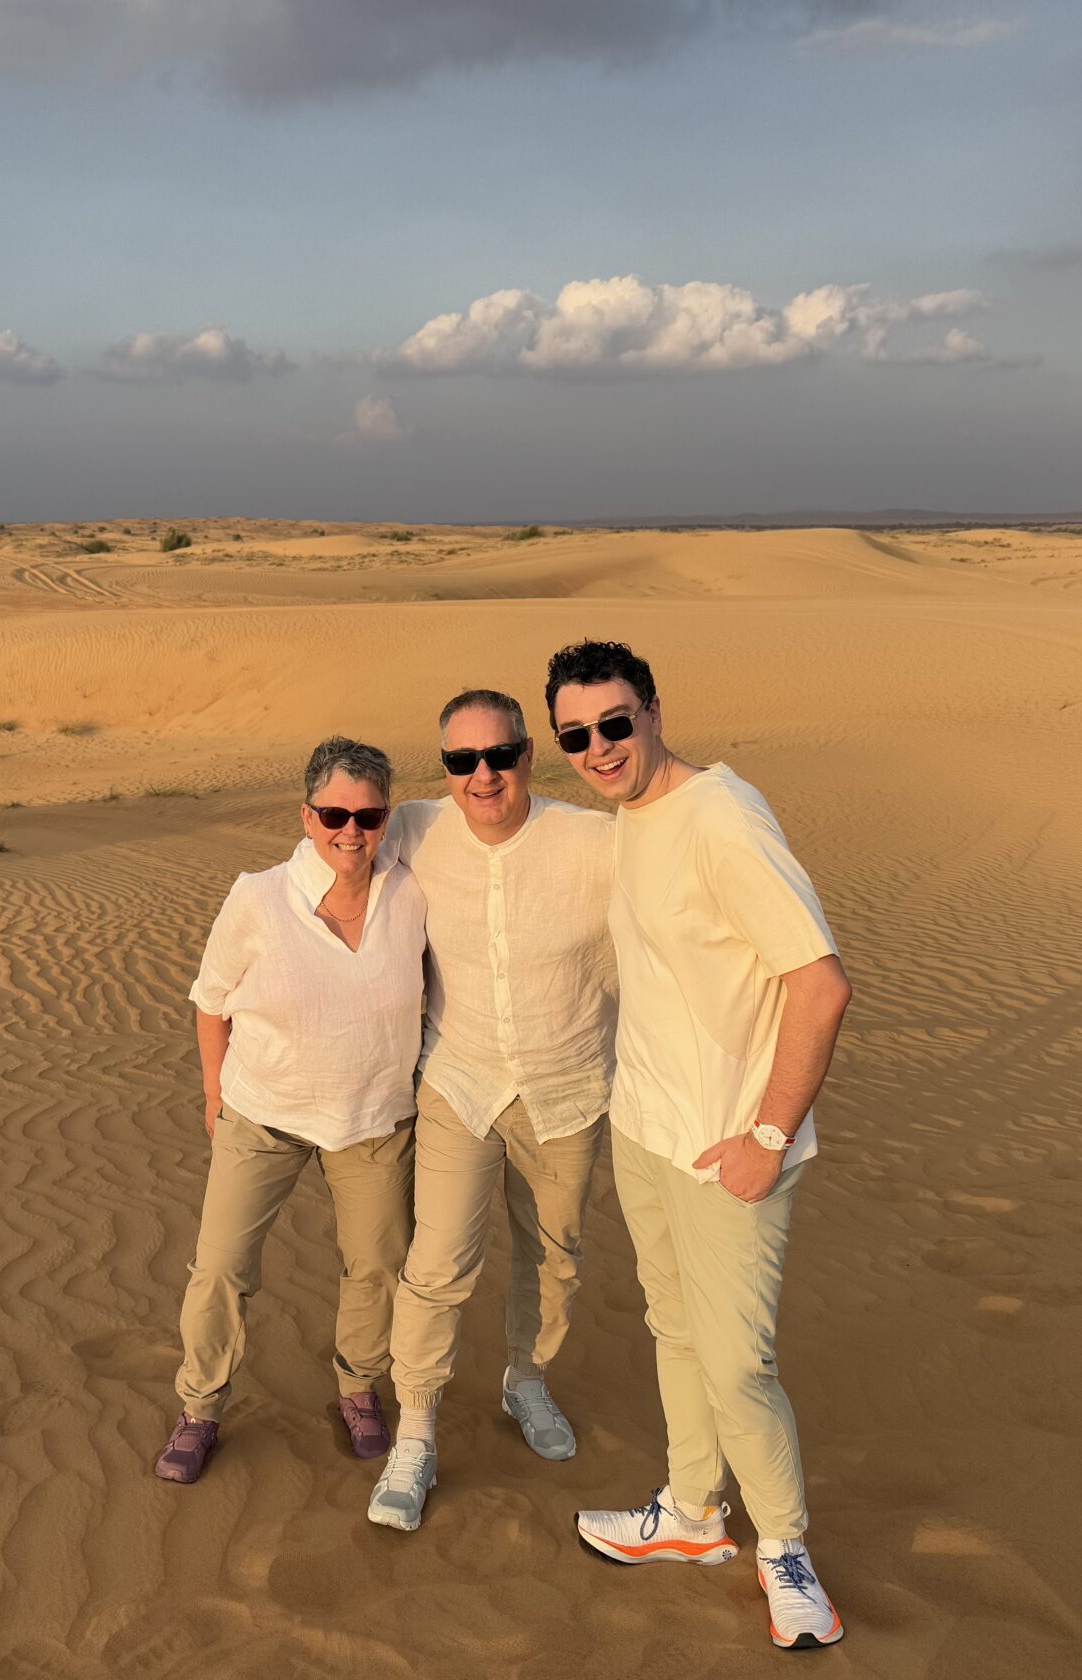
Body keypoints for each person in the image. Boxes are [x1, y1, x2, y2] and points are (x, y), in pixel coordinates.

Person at [547, 640, 852, 1651]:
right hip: (647, 1129)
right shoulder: (631, 819)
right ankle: (690, 1511)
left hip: (732, 1147)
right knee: (674, 1330)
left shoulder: (723, 816)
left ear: (653, 712)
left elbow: (821, 986)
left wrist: (769, 1135)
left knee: (736, 1367)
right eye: (576, 735)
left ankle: (786, 1549)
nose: (599, 748)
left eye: (614, 724)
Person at [366, 688, 617, 1533]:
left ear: (528, 757)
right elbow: (333, 854)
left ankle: (526, 1380)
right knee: (437, 1264)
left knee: (555, 1257)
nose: (483, 775)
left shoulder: (593, 841)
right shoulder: (415, 828)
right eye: (462, 759)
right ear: (444, 767)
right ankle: (416, 1432)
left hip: (567, 1089)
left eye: (500, 755)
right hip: (460, 1081)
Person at [154, 736, 426, 1484]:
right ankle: (200, 1407)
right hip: (262, 1115)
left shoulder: (412, 892)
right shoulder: (259, 897)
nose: (351, 831)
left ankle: (358, 1388)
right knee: (220, 1268)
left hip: (374, 1121)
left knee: (378, 1266)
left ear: (387, 817)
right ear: (307, 817)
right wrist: (215, 1094)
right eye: (334, 814)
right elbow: (211, 1001)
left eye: (368, 816)